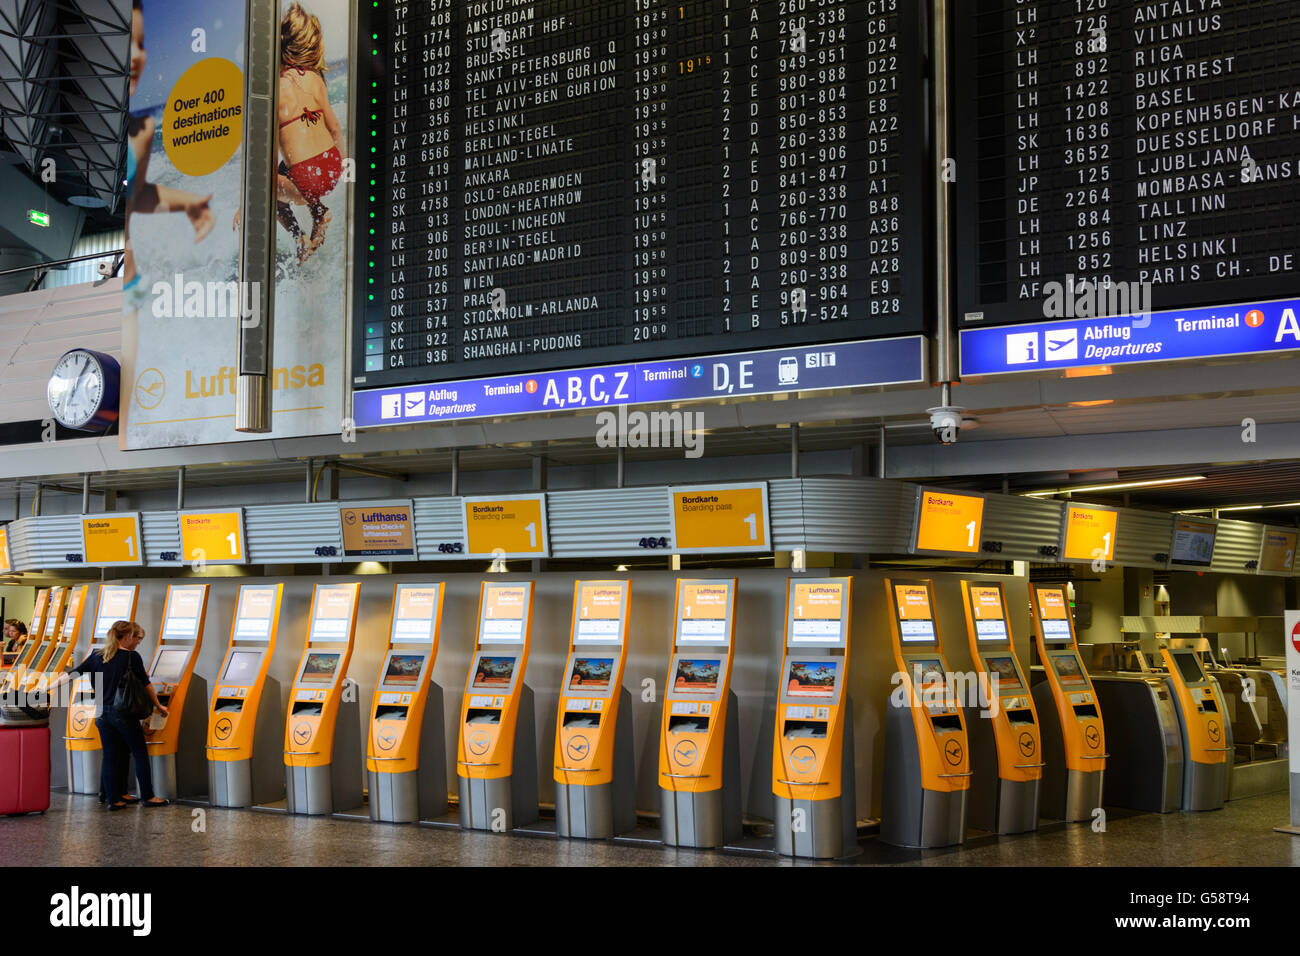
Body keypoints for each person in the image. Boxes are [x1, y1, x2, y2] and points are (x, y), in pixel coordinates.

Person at [122, 0, 216, 313]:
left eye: (142, 44)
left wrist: (189, 202)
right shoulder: (82, 134)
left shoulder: (144, 130)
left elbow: (134, 198)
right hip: (113, 291)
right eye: (126, 43)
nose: (136, 56)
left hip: (132, 288)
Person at [59, 621, 169, 809]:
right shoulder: (131, 657)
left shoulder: (96, 656)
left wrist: (46, 688)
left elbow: (73, 674)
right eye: (138, 638)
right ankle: (148, 797)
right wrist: (158, 705)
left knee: (111, 755)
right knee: (139, 753)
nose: (138, 642)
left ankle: (115, 799)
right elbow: (146, 684)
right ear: (127, 637)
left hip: (102, 714)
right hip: (123, 714)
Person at [272, 1, 345, 264]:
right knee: (287, 169)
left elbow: (264, 161)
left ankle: (299, 238)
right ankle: (320, 212)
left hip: (307, 181)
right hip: (332, 167)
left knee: (268, 189)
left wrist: (246, 202)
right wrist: (346, 166)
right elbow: (335, 127)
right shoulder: (315, 79)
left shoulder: (275, 90)